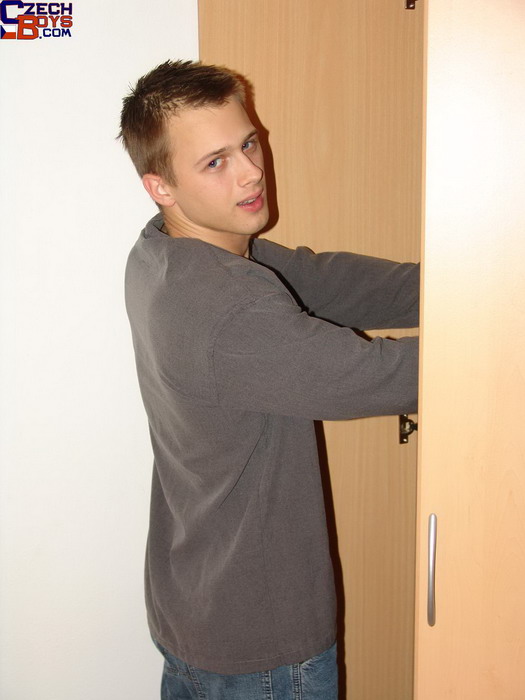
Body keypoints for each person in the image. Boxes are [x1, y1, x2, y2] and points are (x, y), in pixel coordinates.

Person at [119, 59, 419, 700]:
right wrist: (498, 341)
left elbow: (321, 280)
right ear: (159, 186)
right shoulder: (225, 310)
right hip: (261, 644)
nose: (251, 172)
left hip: (197, 602)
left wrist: (468, 283)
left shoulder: (165, 252)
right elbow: (377, 375)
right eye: (215, 162)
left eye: (248, 143)